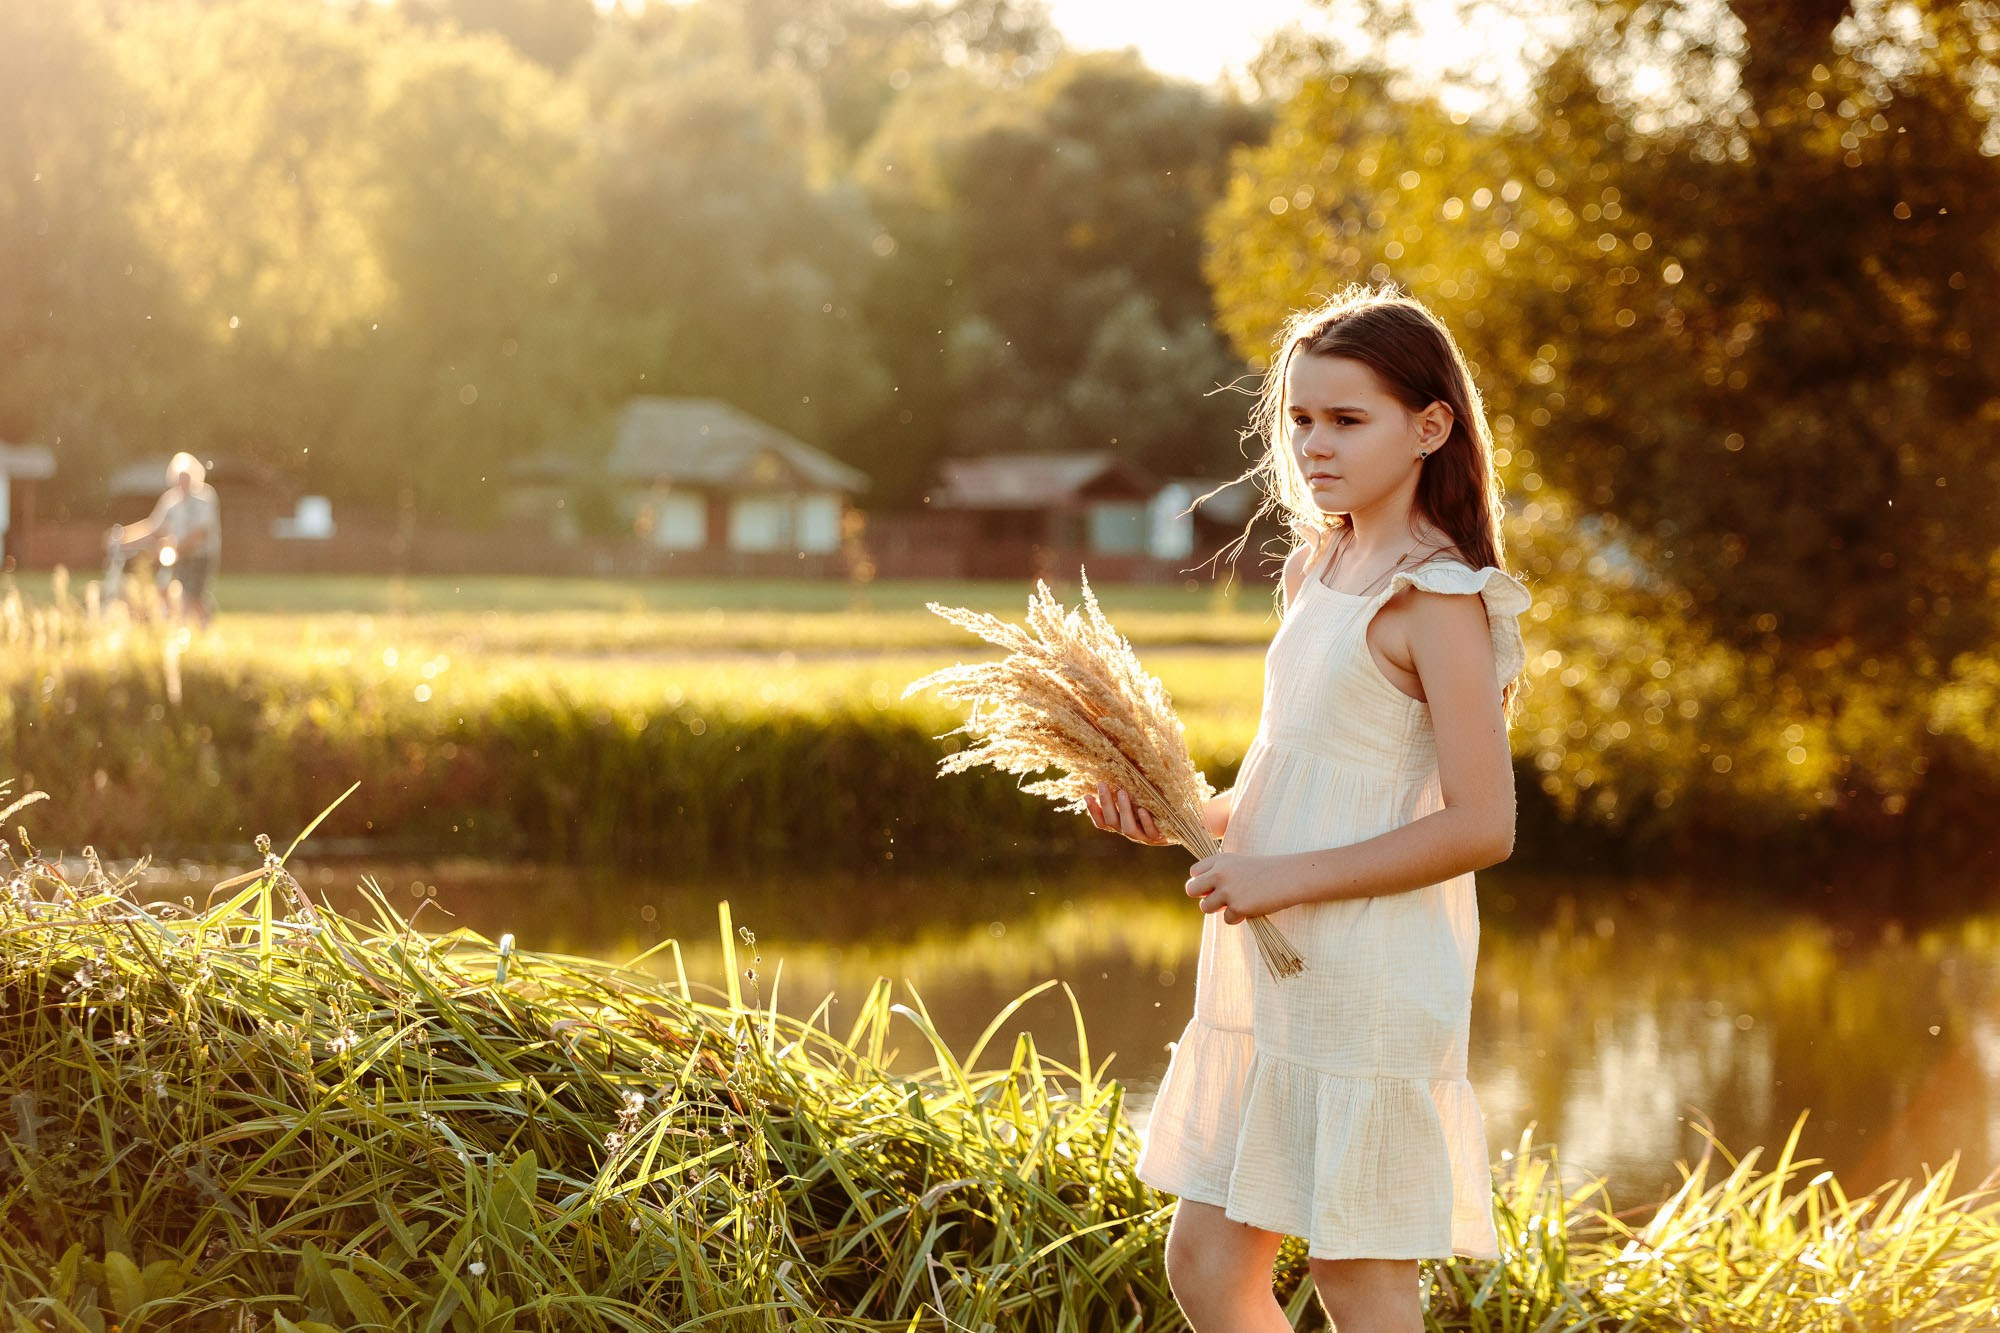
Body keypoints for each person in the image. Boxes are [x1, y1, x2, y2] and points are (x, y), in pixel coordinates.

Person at [1083, 285, 1532, 1332]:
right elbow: (1299, 772)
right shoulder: (1315, 567)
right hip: (1275, 966)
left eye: (1345, 419)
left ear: (1429, 427)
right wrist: (1187, 812)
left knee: (1357, 1279)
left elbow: (1483, 824)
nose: (1312, 444)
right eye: (1298, 419)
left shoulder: (1440, 598)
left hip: (1371, 972)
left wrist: (1279, 876)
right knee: (1205, 1263)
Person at [109, 452, 222, 627]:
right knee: (164, 587)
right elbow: (154, 527)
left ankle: (198, 628)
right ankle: (175, 625)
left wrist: (178, 547)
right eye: (179, 477)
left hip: (200, 555)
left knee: (192, 595)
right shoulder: (171, 501)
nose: (182, 482)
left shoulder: (205, 497)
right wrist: (125, 537)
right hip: (178, 554)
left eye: (185, 477)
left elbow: (201, 532)